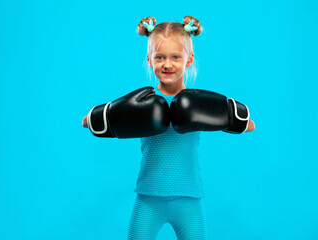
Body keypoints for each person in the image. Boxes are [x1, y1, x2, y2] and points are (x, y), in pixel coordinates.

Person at [83, 15, 255, 239]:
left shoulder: (198, 102)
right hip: (148, 198)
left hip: (188, 199)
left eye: (175, 57)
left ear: (189, 59)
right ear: (149, 60)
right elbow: (87, 122)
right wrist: (118, 110)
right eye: (160, 57)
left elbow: (249, 125)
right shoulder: (143, 103)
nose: (167, 64)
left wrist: (218, 112)